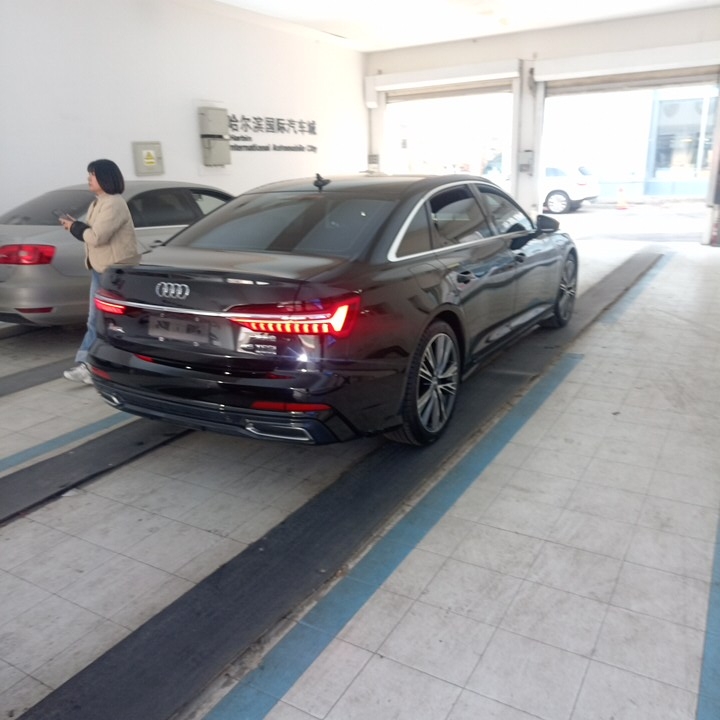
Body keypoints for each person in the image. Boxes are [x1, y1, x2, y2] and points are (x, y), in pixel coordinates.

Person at [59, 159, 141, 384]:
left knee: (99, 319)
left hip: (113, 272)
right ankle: (95, 364)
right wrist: (76, 226)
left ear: (105, 178)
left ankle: (89, 365)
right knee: (100, 320)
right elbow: (92, 232)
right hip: (101, 269)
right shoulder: (99, 203)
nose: (89, 179)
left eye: (92, 175)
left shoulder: (114, 203)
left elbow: (96, 237)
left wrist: (74, 227)